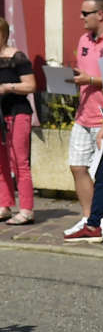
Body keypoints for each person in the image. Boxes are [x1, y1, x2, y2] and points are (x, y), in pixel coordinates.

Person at [65, 0, 103, 235]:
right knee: (77, 167)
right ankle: (89, 219)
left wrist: (91, 80)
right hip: (83, 113)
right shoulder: (84, 38)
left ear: (100, 14)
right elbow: (84, 71)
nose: (81, 18)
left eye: (85, 13)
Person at [0, 17, 36, 225]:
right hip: (1, 114)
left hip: (17, 112)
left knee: (19, 161)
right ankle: (4, 204)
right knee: (1, 162)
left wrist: (6, 87)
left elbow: (30, 85)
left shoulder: (17, 57)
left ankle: (26, 208)